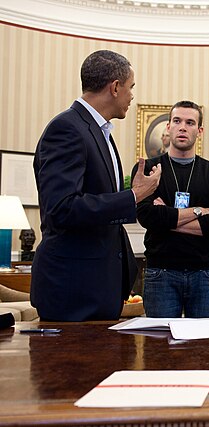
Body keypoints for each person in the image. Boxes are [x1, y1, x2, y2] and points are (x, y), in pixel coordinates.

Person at [31, 50, 162, 322]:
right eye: (131, 87)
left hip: (96, 285)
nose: (132, 95)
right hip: (74, 289)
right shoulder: (67, 128)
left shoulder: (97, 130)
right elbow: (62, 208)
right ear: (115, 87)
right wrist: (134, 196)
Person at [132, 100, 209, 318]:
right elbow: (147, 217)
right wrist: (199, 210)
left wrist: (167, 219)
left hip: (204, 274)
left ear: (199, 130)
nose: (182, 127)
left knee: (203, 348)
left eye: (190, 123)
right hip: (161, 272)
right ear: (168, 126)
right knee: (159, 348)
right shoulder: (149, 169)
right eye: (177, 121)